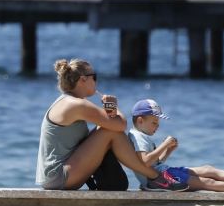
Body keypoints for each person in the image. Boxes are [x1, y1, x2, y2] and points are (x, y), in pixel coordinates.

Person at [36, 59, 188, 191]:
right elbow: (120, 125)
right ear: (82, 80)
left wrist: (110, 112)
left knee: (105, 129)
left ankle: (154, 176)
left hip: (57, 176)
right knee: (110, 132)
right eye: (94, 77)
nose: (96, 82)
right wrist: (114, 108)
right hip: (58, 177)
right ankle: (156, 177)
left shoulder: (67, 101)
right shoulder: (76, 105)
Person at [127, 98, 224, 192]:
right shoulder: (139, 137)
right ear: (140, 120)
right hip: (163, 180)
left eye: (158, 123)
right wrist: (165, 144)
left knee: (208, 169)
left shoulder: (142, 136)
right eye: (154, 123)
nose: (157, 126)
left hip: (164, 173)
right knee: (207, 182)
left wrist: (168, 151)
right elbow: (145, 162)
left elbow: (155, 163)